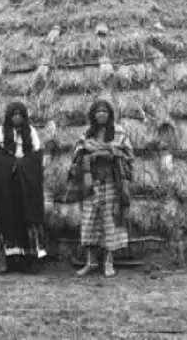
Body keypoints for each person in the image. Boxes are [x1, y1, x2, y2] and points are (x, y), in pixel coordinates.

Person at [68, 99, 134, 278]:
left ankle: (109, 262)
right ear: (93, 115)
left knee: (110, 221)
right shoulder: (87, 134)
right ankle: (91, 262)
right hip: (91, 183)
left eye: (105, 111)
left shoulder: (119, 133)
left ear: (110, 114)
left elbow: (128, 155)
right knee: (90, 220)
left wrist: (109, 152)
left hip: (112, 183)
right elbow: (78, 152)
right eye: (98, 111)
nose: (101, 114)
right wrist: (91, 155)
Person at [0, 101, 47, 274]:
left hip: (27, 185)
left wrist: (21, 165)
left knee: (28, 218)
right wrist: (11, 165)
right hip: (8, 184)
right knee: (9, 218)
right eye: (13, 115)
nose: (17, 118)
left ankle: (30, 260)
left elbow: (36, 158)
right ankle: (12, 261)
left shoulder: (31, 133)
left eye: (20, 115)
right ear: (8, 116)